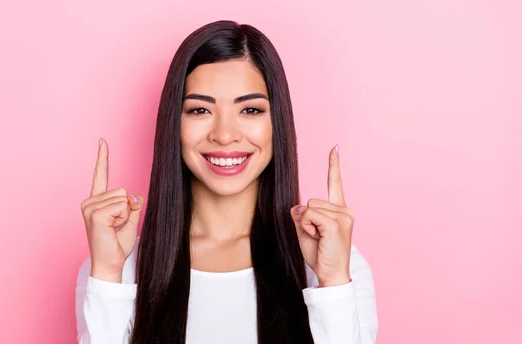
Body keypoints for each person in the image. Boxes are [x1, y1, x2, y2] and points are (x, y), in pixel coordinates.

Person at [75, 20, 378, 343]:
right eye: (200, 110)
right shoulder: (117, 267)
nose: (224, 135)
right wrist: (107, 276)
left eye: (249, 109)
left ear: (277, 122)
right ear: (173, 124)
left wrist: (331, 284)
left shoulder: (337, 267)